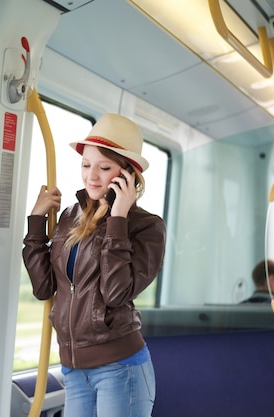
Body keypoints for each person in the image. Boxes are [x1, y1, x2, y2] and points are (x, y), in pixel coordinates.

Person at [22, 113, 167, 417]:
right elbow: (44, 287)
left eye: (103, 167)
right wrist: (36, 223)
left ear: (127, 174)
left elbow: (116, 293)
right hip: (74, 370)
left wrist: (118, 220)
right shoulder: (70, 216)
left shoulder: (147, 227)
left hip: (120, 368)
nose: (92, 176)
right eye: (86, 165)